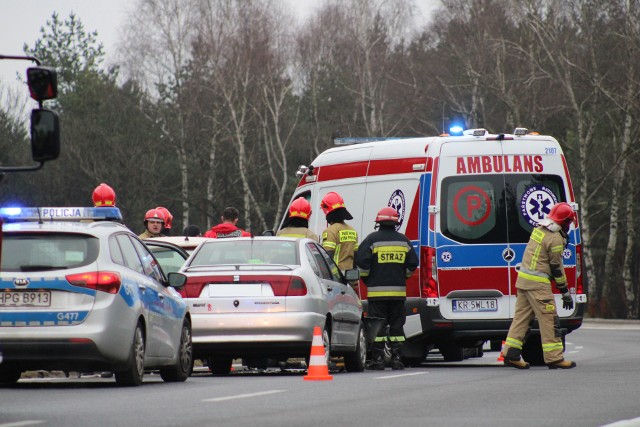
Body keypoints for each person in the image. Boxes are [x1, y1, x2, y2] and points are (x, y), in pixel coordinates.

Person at [503, 202, 578, 370]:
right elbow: (557, 268)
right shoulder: (556, 238)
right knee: (549, 319)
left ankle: (511, 354)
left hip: (523, 281)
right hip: (538, 285)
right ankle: (554, 358)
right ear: (565, 222)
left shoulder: (539, 229)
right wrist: (565, 291)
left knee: (521, 319)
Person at [356, 207, 418, 370]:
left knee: (379, 328)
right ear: (395, 223)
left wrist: (368, 279)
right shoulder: (404, 241)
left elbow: (362, 262)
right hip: (398, 294)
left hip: (377, 295)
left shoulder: (372, 240)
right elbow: (413, 263)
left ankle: (377, 360)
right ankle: (397, 359)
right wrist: (402, 276)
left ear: (379, 223)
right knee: (397, 328)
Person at [320, 192, 358, 272]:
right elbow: (356, 257)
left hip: (337, 278)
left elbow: (327, 258)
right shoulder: (352, 230)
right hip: (351, 277)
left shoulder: (330, 231)